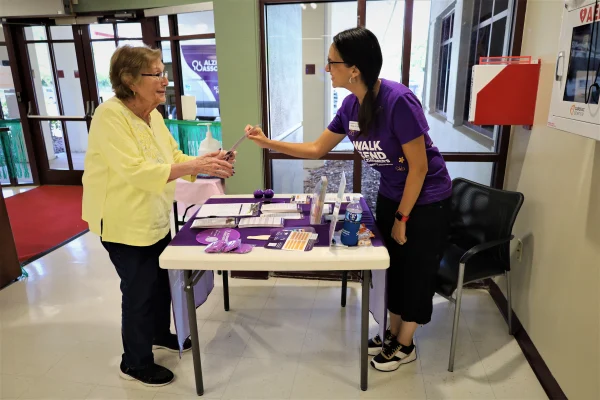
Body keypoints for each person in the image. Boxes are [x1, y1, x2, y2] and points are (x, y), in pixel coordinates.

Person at [245, 27, 451, 372]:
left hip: (425, 201)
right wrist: (269, 144)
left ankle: (405, 343)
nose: (327, 69)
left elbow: (418, 168)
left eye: (332, 63)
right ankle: (391, 332)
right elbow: (317, 148)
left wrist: (402, 219)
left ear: (354, 69)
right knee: (392, 268)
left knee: (415, 272)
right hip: (391, 195)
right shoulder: (351, 105)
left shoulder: (398, 101)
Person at [82, 45, 235, 387]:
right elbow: (136, 171)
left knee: (160, 282)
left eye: (164, 72)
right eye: (156, 74)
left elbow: (174, 155)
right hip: (123, 223)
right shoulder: (110, 116)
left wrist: (209, 164)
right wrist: (196, 165)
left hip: (152, 217)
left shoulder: (153, 115)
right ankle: (134, 361)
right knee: (138, 292)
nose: (165, 81)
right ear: (129, 80)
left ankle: (157, 332)